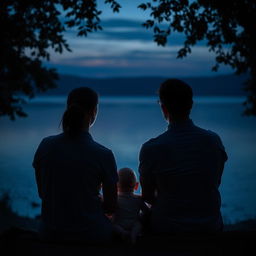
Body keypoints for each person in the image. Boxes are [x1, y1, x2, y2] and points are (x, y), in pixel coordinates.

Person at [139, 79, 228, 234]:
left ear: (163, 107)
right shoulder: (213, 141)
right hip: (209, 226)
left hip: (167, 227)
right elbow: (215, 182)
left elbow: (147, 196)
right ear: (191, 105)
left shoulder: (152, 148)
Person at [33, 87, 118, 243]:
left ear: (69, 108)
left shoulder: (45, 146)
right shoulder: (103, 154)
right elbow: (111, 207)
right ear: (94, 112)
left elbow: (43, 193)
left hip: (50, 233)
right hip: (91, 234)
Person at [112, 168, 149, 244]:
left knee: (113, 225)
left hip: (120, 223)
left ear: (116, 186)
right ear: (136, 186)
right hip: (133, 223)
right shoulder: (138, 199)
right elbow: (147, 211)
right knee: (138, 225)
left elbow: (110, 210)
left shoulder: (115, 199)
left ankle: (123, 233)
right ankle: (134, 235)